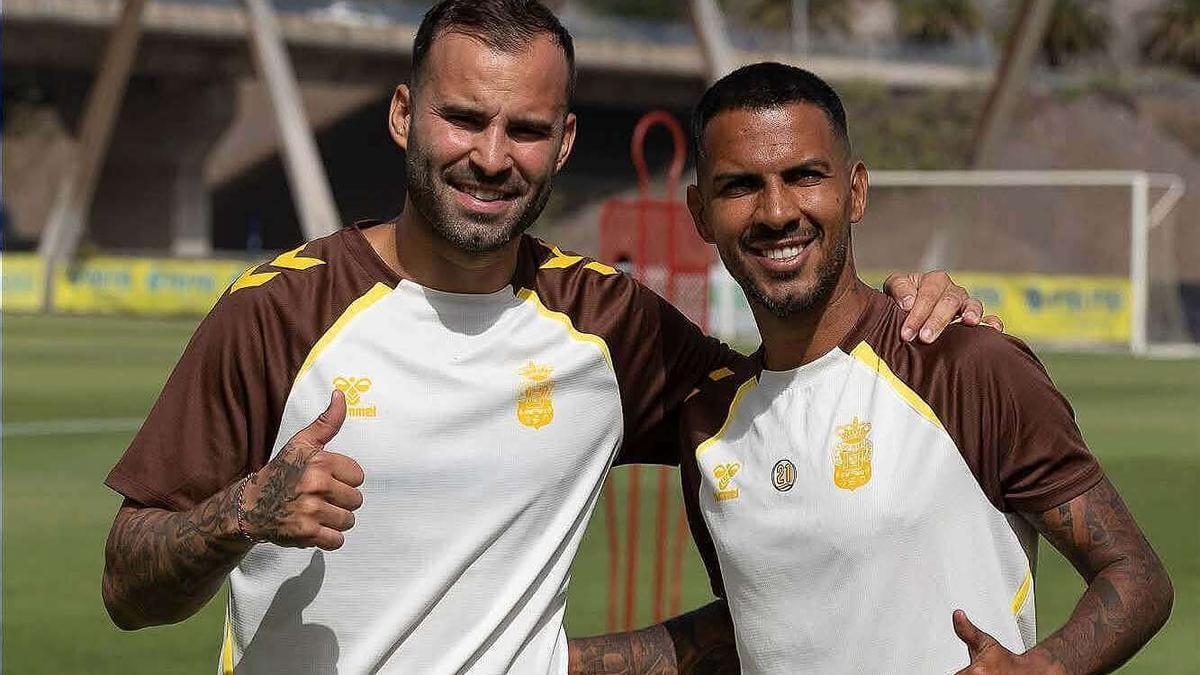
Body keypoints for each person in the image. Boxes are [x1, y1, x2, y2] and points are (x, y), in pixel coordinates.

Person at [100, 4, 993, 673]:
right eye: (465, 118)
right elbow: (127, 587)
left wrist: (906, 305)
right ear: (404, 115)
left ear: (564, 142)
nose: (493, 156)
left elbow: (805, 398)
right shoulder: (279, 310)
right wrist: (244, 513)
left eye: (526, 129)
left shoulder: (609, 324)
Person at [567, 62, 1174, 675]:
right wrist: (564, 661)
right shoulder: (707, 423)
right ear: (700, 214)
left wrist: (1045, 669)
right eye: (740, 186)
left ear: (855, 191)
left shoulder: (966, 366)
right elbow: (757, 621)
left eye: (804, 176)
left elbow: (1136, 575)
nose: (776, 211)